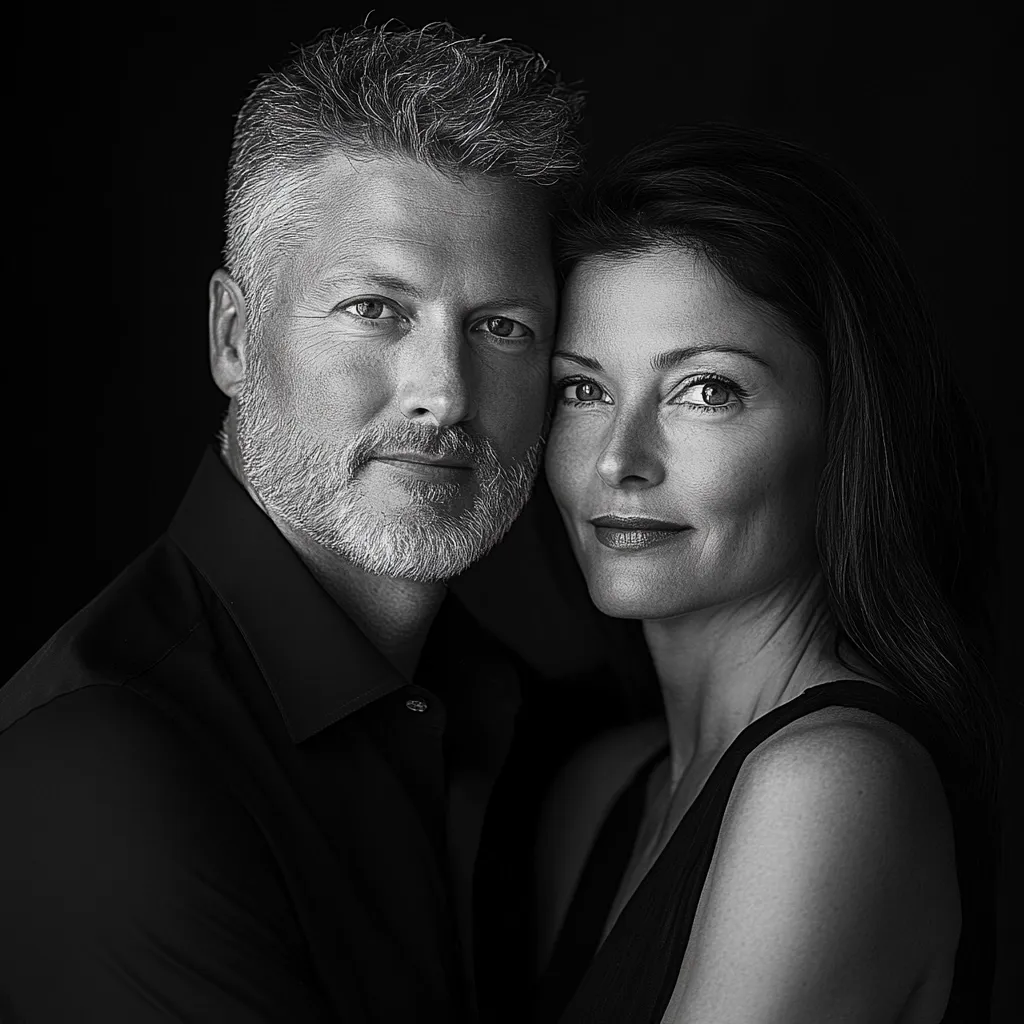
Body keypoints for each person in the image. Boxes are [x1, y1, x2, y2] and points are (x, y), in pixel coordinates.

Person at [0, 21, 595, 1023]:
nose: (443, 393)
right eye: (374, 309)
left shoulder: (514, 716)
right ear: (235, 337)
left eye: (502, 328)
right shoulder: (95, 766)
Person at [533, 125, 1000, 1023]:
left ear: (844, 425)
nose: (618, 460)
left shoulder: (831, 785)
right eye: (581, 390)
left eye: (706, 390)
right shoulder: (599, 790)